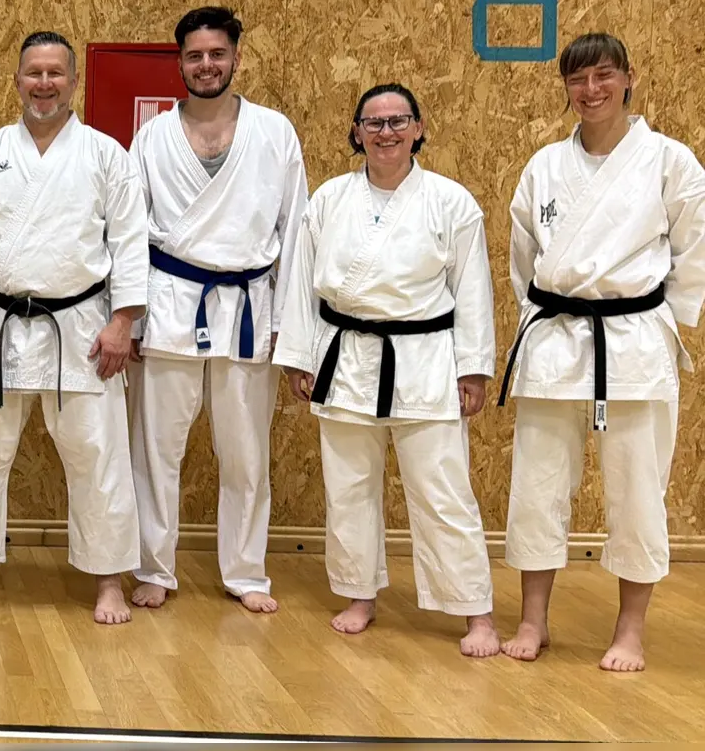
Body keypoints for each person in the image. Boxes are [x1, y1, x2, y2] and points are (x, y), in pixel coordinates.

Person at [498, 33, 705, 672]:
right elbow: (524, 259)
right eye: (578, 80)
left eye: (604, 76)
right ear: (565, 87)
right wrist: (540, 316)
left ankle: (630, 631)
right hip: (557, 338)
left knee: (639, 487)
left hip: (635, 342)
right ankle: (533, 621)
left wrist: (666, 321)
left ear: (628, 78)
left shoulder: (671, 162)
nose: (591, 91)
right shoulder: (544, 166)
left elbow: (694, 253)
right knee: (537, 485)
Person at [273, 83, 499, 657]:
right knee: (348, 488)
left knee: (443, 490)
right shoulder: (328, 199)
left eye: (399, 121)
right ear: (356, 133)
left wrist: (472, 368)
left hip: (424, 362)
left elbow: (472, 290)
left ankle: (476, 612)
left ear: (419, 129)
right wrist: (300, 356)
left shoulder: (451, 202)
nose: (387, 132)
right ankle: (358, 593)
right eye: (373, 124)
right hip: (345, 357)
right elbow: (302, 282)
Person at [0, 31, 147, 625]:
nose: (44, 83)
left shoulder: (107, 155)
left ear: (73, 81)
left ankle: (109, 580)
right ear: (18, 79)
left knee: (97, 455)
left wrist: (123, 321)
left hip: (82, 326)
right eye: (34, 73)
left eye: (56, 73)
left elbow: (129, 242)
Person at [126, 6, 307, 613]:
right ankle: (154, 567)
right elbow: (127, 233)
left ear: (235, 57)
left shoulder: (274, 132)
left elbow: (297, 233)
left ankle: (247, 571)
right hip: (168, 303)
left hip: (249, 306)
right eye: (195, 56)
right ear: (180, 62)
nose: (207, 66)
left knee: (246, 451)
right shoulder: (151, 135)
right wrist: (128, 316)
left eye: (217, 54)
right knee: (156, 450)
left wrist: (289, 322)